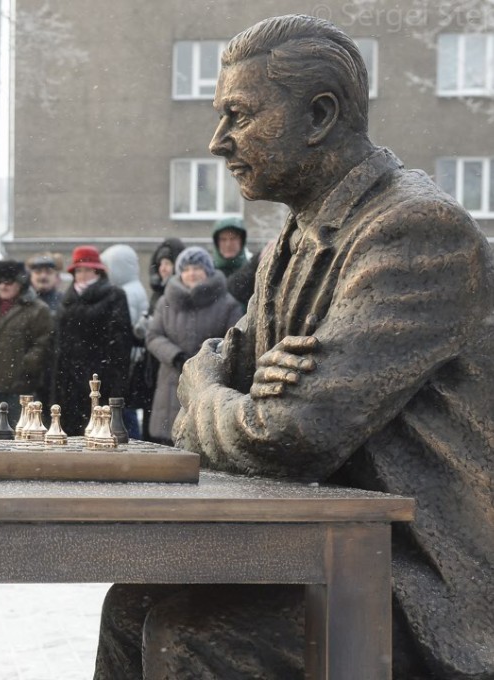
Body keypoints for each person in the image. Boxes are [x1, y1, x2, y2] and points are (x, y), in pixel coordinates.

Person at [94, 15, 494, 679]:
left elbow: (292, 434)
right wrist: (226, 388)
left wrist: (204, 393)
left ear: (318, 116)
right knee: (132, 603)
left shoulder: (412, 230)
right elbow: (233, 369)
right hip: (336, 543)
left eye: (238, 115)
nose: (218, 141)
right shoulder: (297, 236)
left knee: (193, 637)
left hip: (428, 581)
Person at [144, 247, 241, 444]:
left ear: (207, 271)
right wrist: (175, 356)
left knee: (205, 440)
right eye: (186, 269)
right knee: (169, 448)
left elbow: (234, 340)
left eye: (197, 268)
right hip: (172, 379)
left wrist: (206, 356)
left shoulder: (227, 304)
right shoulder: (165, 301)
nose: (191, 273)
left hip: (209, 381)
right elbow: (153, 336)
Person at [52, 246, 132, 436]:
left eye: (87, 269)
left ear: (97, 271)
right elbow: (58, 344)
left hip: (101, 376)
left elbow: (120, 342)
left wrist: (116, 381)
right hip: (69, 380)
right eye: (78, 270)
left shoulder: (114, 296)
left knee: (100, 433)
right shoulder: (66, 299)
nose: (82, 274)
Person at [0, 260, 53, 433]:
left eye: (8, 282)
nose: (3, 286)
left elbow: (43, 345)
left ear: (20, 284)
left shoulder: (37, 310)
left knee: (21, 437)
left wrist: (25, 368)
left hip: (21, 389)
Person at [138, 238, 186, 440]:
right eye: (161, 264)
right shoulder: (158, 294)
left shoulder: (177, 294)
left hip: (172, 365)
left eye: (168, 263)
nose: (164, 269)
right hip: (155, 366)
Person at [100, 244, 149, 440]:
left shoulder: (126, 293)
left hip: (127, 363)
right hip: (130, 360)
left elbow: (126, 328)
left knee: (124, 410)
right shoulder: (135, 289)